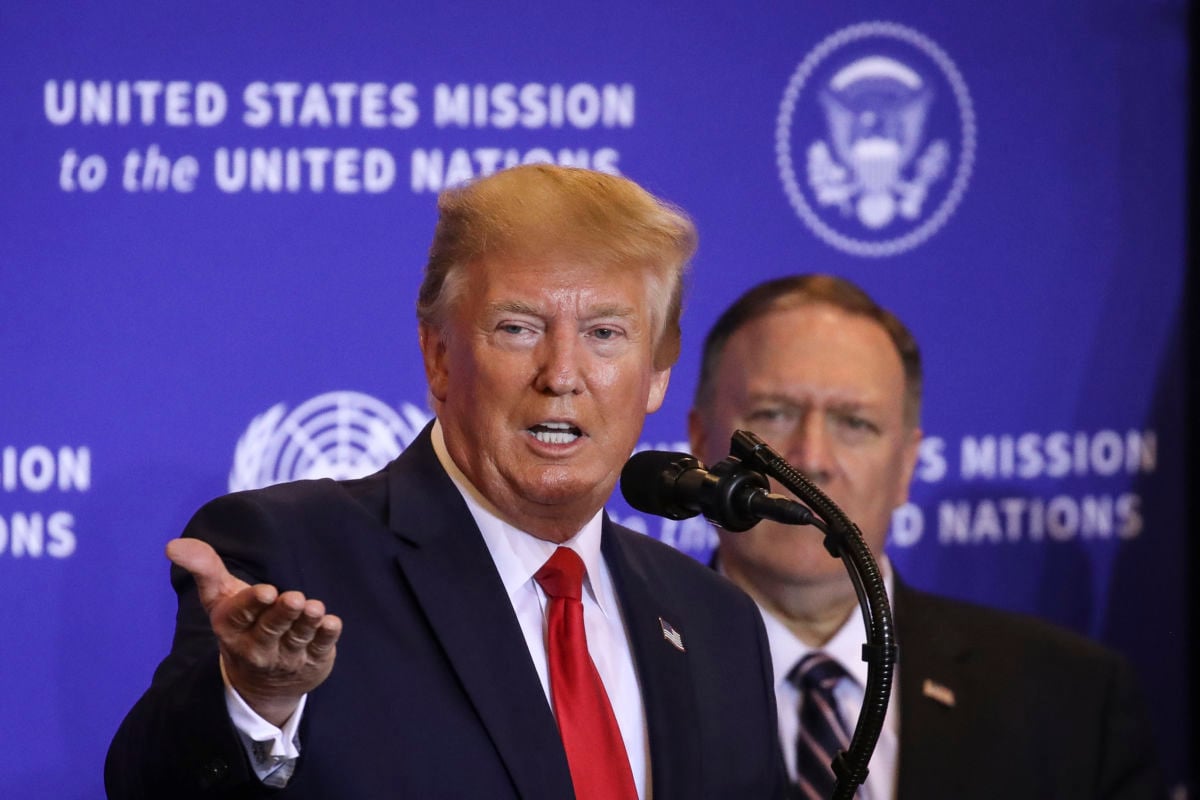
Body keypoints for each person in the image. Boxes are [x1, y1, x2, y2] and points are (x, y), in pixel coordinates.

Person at [105, 165, 786, 799]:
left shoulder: (716, 621)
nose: (562, 374)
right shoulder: (291, 559)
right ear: (438, 357)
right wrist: (255, 699)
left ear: (658, 373)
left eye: (606, 333)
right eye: (518, 328)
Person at [687, 274, 1165, 800]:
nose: (812, 459)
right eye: (772, 416)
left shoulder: (1073, 700)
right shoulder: (619, 665)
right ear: (701, 442)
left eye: (855, 423)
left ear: (907, 466)